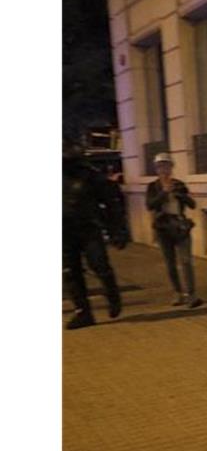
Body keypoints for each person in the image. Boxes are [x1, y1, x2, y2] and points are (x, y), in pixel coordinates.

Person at [63, 139, 127, 330]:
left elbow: (111, 204)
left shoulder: (90, 176)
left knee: (99, 265)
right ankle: (83, 312)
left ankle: (112, 294)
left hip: (88, 227)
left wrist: (117, 231)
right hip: (64, 231)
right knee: (70, 272)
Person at [145, 153, 202, 308]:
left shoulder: (179, 184)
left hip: (180, 225)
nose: (163, 169)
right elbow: (150, 205)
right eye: (160, 166)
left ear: (171, 167)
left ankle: (191, 295)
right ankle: (177, 292)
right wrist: (163, 193)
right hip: (163, 227)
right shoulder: (152, 187)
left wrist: (180, 195)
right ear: (156, 169)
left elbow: (192, 204)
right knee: (170, 263)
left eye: (166, 165)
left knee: (186, 261)